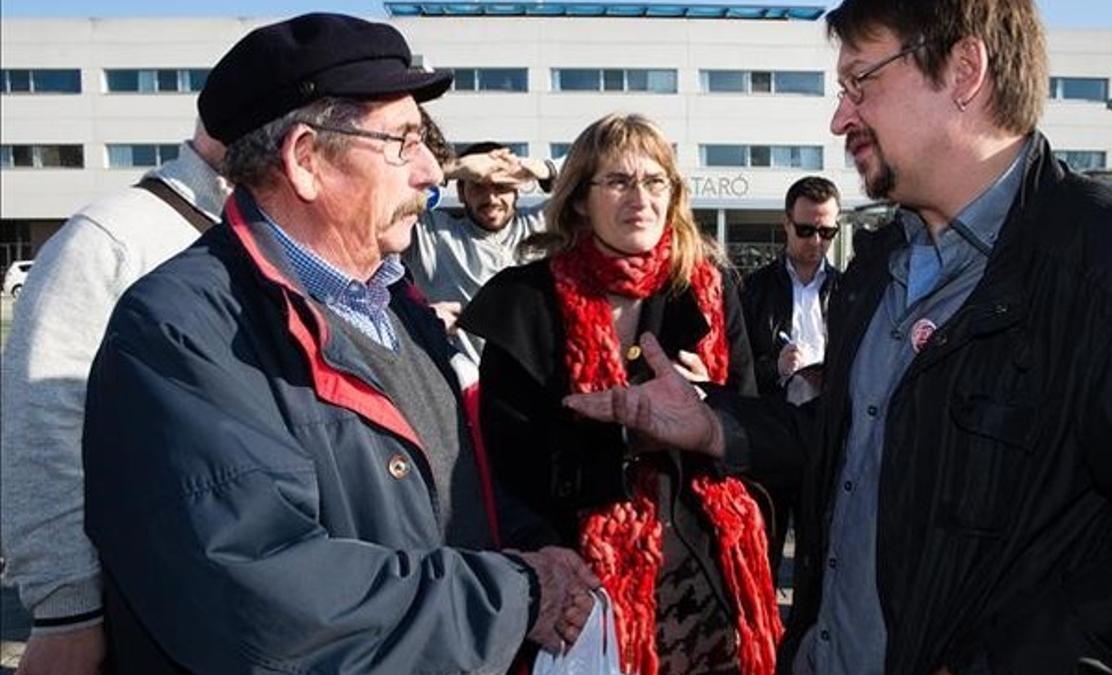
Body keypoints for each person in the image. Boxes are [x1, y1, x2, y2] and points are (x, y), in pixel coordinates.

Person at [562, 1, 1112, 674]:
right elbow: (859, 448)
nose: (841, 117)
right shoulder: (878, 264)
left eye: (860, 82)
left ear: (963, 71)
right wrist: (716, 425)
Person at [81, 14, 597, 673]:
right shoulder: (180, 332)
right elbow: (265, 602)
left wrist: (542, 550)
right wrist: (517, 592)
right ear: (305, 160)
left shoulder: (397, 306)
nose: (429, 172)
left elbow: (454, 493)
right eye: (403, 141)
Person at [460, 113, 782, 675]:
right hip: (583, 593)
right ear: (580, 200)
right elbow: (506, 471)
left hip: (709, 584)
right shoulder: (525, 304)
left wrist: (711, 404)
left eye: (655, 181)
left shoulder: (705, 287)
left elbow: (754, 433)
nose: (641, 198)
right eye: (618, 181)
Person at [0, 122, 229, 675]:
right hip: (139, 613)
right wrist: (66, 612)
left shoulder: (268, 236)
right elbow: (40, 422)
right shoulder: (115, 235)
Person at [739, 176, 842, 579]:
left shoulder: (849, 288)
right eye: (806, 229)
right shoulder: (754, 289)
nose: (816, 240)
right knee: (763, 545)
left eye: (827, 231)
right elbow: (736, 365)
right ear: (786, 224)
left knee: (820, 550)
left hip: (826, 432)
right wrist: (775, 367)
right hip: (772, 431)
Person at [404, 140, 555, 361]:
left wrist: (544, 170)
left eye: (501, 186)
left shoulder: (543, 224)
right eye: (477, 185)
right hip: (458, 385)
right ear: (461, 192)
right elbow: (380, 197)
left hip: (532, 386)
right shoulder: (431, 234)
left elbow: (596, 179)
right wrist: (454, 167)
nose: (491, 198)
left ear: (517, 190)